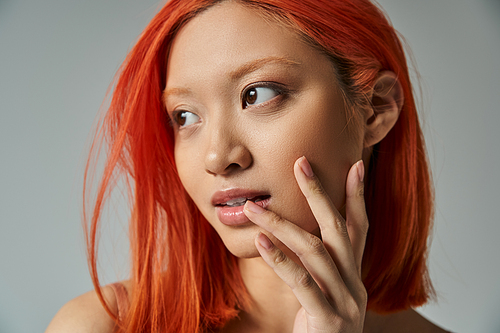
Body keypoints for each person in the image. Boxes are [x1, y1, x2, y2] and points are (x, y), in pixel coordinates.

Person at [46, 0, 451, 332]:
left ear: (375, 109)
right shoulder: (104, 326)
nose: (217, 157)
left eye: (258, 94)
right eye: (185, 117)